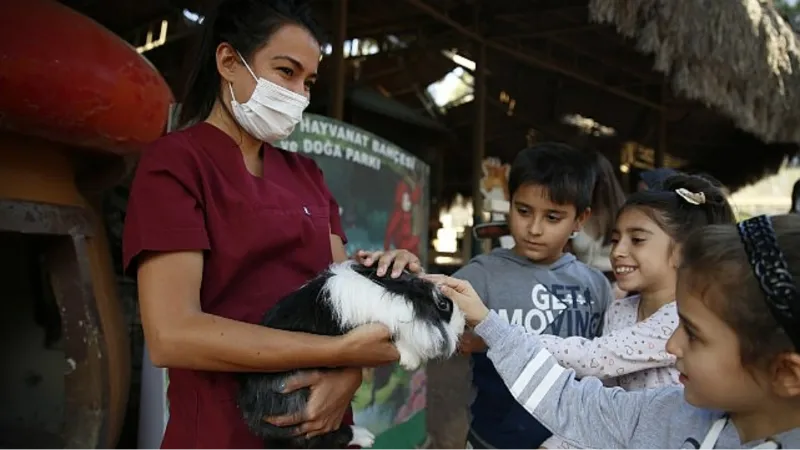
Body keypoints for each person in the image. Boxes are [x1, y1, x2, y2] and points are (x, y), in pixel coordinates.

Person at [122, 1, 415, 449]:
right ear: (228, 62)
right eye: (286, 71)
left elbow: (340, 305)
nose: (299, 92)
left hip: (326, 431)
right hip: (224, 431)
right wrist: (340, 358)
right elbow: (172, 334)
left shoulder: (307, 175)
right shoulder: (177, 164)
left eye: (308, 81)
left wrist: (386, 282)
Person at [430, 213, 800, 449]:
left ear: (786, 373)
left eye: (695, 334)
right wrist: (490, 324)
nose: (672, 345)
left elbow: (593, 361)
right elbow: (573, 402)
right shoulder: (669, 414)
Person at [538, 174, 737, 450]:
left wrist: (501, 333)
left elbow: (593, 358)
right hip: (621, 432)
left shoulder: (680, 318)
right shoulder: (619, 311)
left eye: (637, 240)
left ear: (682, 251)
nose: (618, 251)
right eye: (616, 239)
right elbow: (604, 393)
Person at [454, 143, 614, 450]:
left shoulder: (596, 287)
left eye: (553, 217)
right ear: (510, 203)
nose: (534, 229)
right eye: (523, 211)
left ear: (580, 220)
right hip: (490, 440)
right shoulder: (479, 277)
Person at [569, 151, 626, 274]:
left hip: (617, 280)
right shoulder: (574, 210)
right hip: (580, 279)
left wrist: (622, 288)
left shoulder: (625, 213)